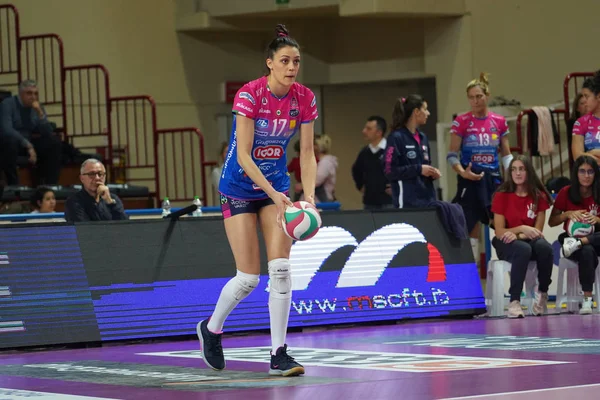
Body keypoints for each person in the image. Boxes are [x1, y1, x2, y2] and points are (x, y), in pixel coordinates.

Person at [197, 24, 318, 377]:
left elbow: (307, 151)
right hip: (239, 186)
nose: (292, 67)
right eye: (284, 60)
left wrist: (307, 197)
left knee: (280, 269)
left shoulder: (304, 97)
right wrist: (275, 196)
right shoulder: (249, 95)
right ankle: (212, 329)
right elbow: (245, 156)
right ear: (269, 63)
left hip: (276, 186)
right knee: (248, 278)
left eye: (296, 61)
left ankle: (279, 353)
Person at [447, 73, 513, 265]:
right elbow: (452, 154)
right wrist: (462, 172)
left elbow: (506, 154)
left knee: (499, 220)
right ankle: (471, 269)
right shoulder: (461, 121)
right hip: (469, 178)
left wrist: (512, 177)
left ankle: (507, 265)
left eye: (479, 96)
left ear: (487, 95)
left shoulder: (499, 121)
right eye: (471, 97)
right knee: (469, 224)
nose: (475, 101)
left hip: (493, 178)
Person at [490, 155, 553, 318]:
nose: (517, 173)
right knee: (523, 249)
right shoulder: (501, 195)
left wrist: (518, 235)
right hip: (505, 242)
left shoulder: (539, 196)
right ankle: (514, 301)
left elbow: (537, 231)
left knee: (545, 247)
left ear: (529, 172)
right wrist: (522, 228)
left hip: (526, 240)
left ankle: (542, 293)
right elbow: (499, 231)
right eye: (513, 169)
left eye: (521, 169)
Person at [548, 155, 600, 314]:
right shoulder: (566, 192)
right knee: (586, 251)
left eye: (590, 172)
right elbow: (552, 221)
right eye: (582, 171)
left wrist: (597, 219)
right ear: (576, 173)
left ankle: (581, 242)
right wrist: (567, 214)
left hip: (596, 238)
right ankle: (587, 301)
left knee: (588, 247)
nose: (586, 176)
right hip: (572, 240)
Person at [0, 80, 62, 185]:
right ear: (20, 94)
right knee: (10, 142)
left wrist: (41, 114)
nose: (33, 97)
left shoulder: (37, 107)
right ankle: (13, 186)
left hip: (30, 142)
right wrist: (28, 146)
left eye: (35, 93)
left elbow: (48, 132)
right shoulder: (7, 104)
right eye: (29, 93)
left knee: (53, 142)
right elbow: (7, 130)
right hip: (13, 143)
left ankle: (50, 186)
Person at [384, 95, 439, 208]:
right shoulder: (396, 137)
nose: (428, 113)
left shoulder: (423, 137)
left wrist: (432, 173)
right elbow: (389, 170)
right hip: (407, 204)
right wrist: (419, 169)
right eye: (425, 109)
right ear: (416, 111)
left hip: (428, 201)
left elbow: (423, 168)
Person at [352, 116, 393, 209]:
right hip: (369, 201)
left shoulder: (390, 150)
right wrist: (360, 185)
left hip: (388, 201)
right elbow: (356, 170)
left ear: (379, 132)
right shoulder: (365, 152)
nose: (364, 131)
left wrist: (395, 186)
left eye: (369, 129)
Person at [571, 71, 600, 163]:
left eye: (587, 96)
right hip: (591, 174)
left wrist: (593, 153)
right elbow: (577, 156)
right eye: (582, 96)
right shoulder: (580, 122)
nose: (584, 100)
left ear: (598, 97)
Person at [313, 134, 337, 203]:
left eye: (314, 145)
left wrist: (301, 186)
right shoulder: (319, 161)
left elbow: (317, 180)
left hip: (321, 200)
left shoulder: (326, 162)